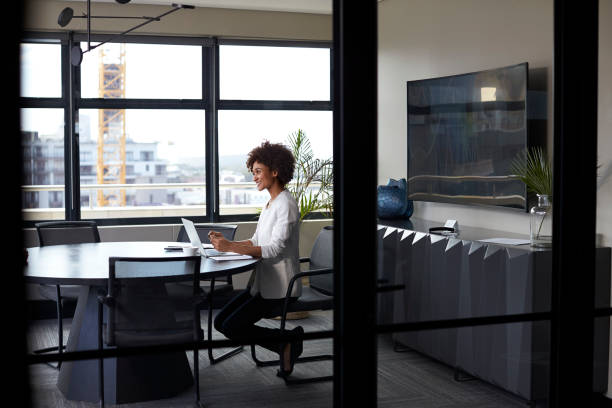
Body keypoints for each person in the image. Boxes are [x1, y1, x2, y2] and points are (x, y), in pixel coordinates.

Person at [209, 140, 303, 378]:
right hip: (263, 284)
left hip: (282, 287)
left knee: (230, 326)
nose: (254, 177)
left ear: (275, 171)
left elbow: (273, 250)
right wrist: (225, 247)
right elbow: (255, 240)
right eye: (253, 173)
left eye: (258, 172)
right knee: (220, 322)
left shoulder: (286, 204)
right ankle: (286, 342)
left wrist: (230, 246)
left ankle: (288, 341)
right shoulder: (271, 203)